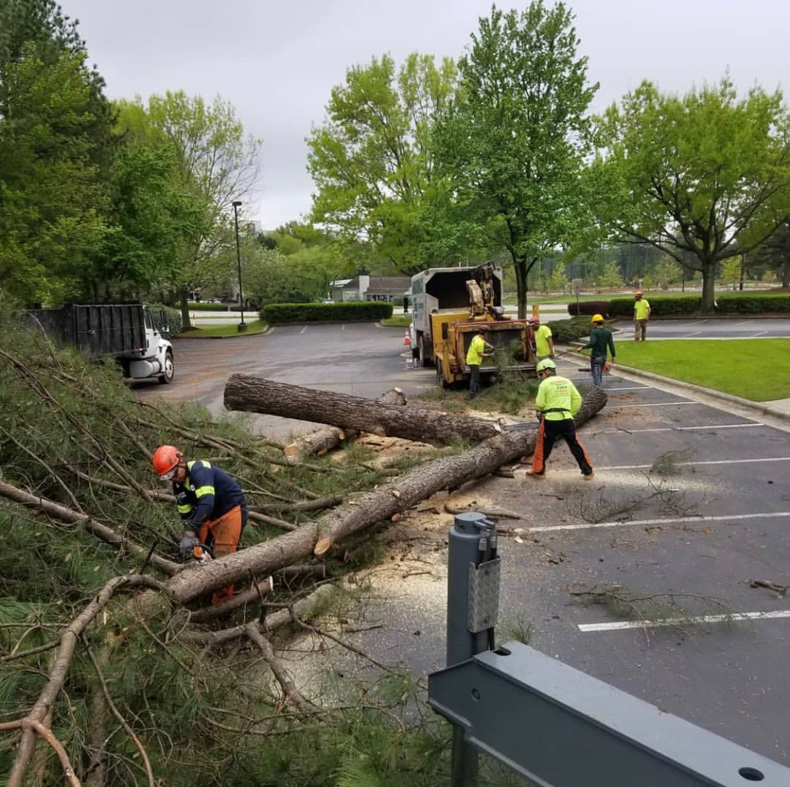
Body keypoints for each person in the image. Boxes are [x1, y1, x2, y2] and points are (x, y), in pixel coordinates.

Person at [152, 445, 247, 605]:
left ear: (181, 461)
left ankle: (221, 603)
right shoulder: (178, 487)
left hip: (230, 510)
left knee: (224, 556)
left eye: (173, 472)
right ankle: (203, 584)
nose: (172, 478)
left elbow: (207, 503)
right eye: (167, 476)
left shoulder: (199, 470)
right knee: (200, 552)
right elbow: (186, 515)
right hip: (207, 516)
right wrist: (191, 537)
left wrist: (190, 533)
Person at [529, 359, 594, 481]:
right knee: (575, 445)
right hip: (567, 420)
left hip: (551, 420)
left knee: (544, 446)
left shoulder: (544, 384)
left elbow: (540, 404)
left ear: (547, 371)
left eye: (540, 374)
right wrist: (570, 412)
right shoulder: (567, 381)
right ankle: (588, 471)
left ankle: (539, 471)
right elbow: (577, 399)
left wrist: (543, 409)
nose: (540, 377)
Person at [582, 314, 616, 386]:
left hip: (595, 356)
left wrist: (583, 347)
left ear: (595, 323)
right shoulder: (608, 332)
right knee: (599, 373)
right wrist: (613, 356)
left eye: (593, 323)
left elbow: (592, 343)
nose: (593, 324)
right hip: (603, 357)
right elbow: (611, 345)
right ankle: (599, 389)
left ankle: (598, 391)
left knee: (596, 375)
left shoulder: (594, 332)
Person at [466, 324, 495, 400]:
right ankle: (472, 395)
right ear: (485, 333)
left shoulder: (476, 337)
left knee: (475, 378)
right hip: (473, 362)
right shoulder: (479, 343)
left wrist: (490, 346)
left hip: (470, 359)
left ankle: (475, 391)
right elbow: (480, 354)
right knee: (474, 379)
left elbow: (484, 342)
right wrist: (490, 355)